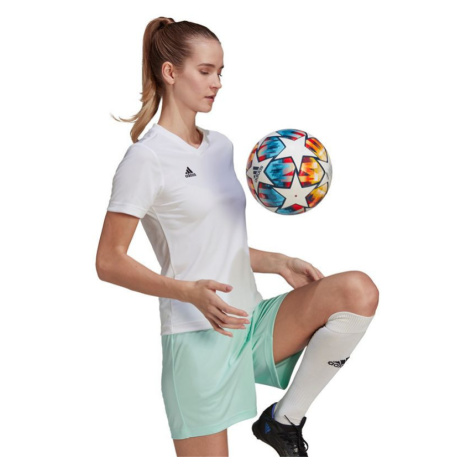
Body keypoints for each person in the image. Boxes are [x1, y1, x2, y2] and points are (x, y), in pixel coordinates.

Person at [95, 16, 380, 458]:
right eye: (205, 71)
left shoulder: (221, 146)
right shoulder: (145, 159)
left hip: (252, 320)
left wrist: (279, 262)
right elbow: (109, 261)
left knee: (357, 290)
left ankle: (283, 421)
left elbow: (214, 241)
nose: (217, 83)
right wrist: (187, 292)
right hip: (196, 336)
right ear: (170, 72)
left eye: (220, 72)